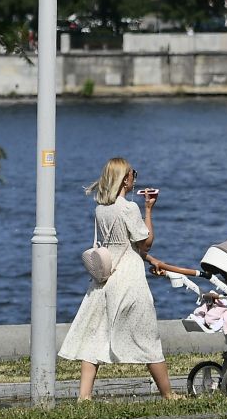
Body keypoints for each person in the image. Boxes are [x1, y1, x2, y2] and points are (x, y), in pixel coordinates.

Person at [57, 157, 178, 402]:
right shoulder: (128, 208)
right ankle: (168, 394)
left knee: (95, 335)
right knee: (147, 335)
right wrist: (148, 210)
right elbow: (145, 241)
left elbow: (121, 245)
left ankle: (84, 396)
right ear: (125, 179)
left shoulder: (101, 209)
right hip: (129, 279)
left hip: (104, 277)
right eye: (133, 173)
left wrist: (150, 259)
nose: (135, 177)